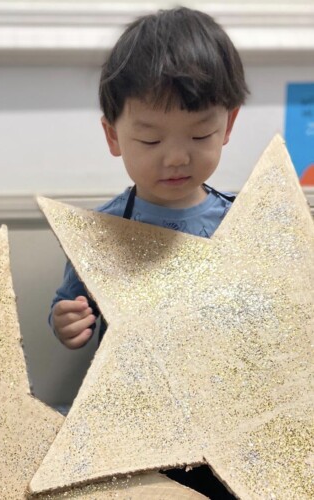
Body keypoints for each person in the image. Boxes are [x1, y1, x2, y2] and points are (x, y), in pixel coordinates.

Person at [50, 6, 248, 351]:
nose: (176, 158)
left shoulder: (245, 221)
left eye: (200, 135)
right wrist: (66, 321)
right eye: (151, 140)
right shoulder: (99, 232)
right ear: (113, 137)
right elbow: (70, 305)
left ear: (228, 125)